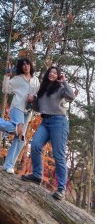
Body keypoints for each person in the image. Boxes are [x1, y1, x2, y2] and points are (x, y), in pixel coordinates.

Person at [20, 66, 78, 200]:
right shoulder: (43, 89)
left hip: (59, 122)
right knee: (35, 146)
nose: (52, 74)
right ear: (47, 74)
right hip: (45, 121)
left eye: (55, 73)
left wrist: (64, 81)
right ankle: (37, 176)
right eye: (50, 72)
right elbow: (38, 107)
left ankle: (61, 189)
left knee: (58, 155)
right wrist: (32, 100)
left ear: (58, 76)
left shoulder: (60, 88)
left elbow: (71, 96)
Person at [0, 58, 40, 173]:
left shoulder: (36, 80)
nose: (25, 66)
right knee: (19, 132)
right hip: (17, 107)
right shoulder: (17, 79)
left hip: (28, 111)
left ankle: (8, 165)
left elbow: (38, 95)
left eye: (27, 64)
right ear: (21, 68)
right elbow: (5, 90)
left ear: (31, 65)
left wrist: (34, 99)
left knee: (21, 139)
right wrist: (7, 76)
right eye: (23, 65)